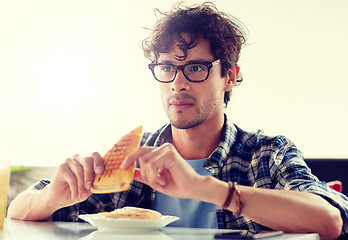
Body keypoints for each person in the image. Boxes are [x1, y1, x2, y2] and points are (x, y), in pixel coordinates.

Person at [7, 2, 348, 239]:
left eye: (196, 68)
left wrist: (204, 188)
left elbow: (330, 219)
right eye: (167, 68)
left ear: (229, 76)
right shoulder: (132, 161)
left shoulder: (267, 154)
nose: (178, 83)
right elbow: (18, 211)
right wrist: (54, 195)